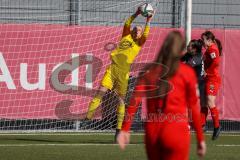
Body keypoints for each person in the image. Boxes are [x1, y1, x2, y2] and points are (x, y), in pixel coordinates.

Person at [117, 31, 206, 160]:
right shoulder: (186, 72)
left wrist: (125, 129)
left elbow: (134, 101)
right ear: (180, 50)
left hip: (153, 131)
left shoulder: (149, 71)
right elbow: (194, 107)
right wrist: (200, 138)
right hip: (176, 129)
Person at [86, 7, 154, 141]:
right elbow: (128, 22)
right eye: (136, 28)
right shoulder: (126, 36)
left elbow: (146, 33)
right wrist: (136, 13)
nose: (137, 30)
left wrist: (148, 21)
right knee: (100, 92)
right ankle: (88, 117)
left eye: (139, 30)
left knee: (121, 101)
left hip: (123, 74)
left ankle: (118, 129)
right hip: (112, 69)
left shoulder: (139, 43)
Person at [201, 31, 222, 140]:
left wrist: (207, 72)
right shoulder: (209, 49)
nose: (203, 42)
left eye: (203, 39)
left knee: (210, 101)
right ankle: (202, 125)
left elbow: (216, 62)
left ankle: (217, 127)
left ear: (209, 40)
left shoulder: (213, 49)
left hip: (213, 79)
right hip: (208, 78)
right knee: (204, 101)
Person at [181, 39, 206, 131]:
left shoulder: (198, 57)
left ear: (195, 49)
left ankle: (197, 124)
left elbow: (187, 66)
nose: (187, 46)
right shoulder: (189, 55)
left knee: (193, 105)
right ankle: (190, 124)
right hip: (192, 83)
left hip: (199, 84)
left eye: (189, 46)